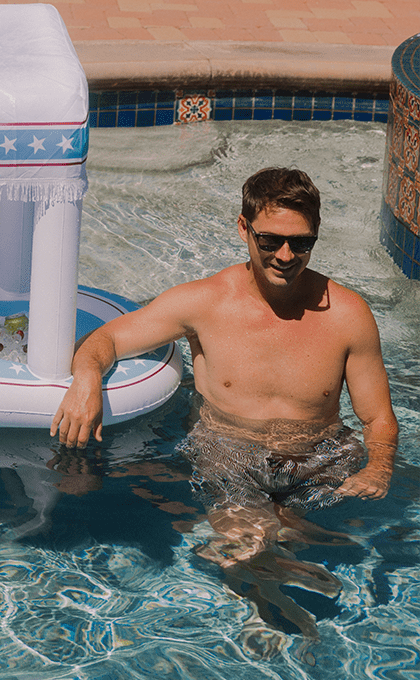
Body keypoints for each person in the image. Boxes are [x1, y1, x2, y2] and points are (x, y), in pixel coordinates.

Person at [51, 167, 397, 565]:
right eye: (270, 239)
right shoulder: (204, 303)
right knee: (248, 551)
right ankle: (265, 613)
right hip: (228, 458)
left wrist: (380, 468)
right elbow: (104, 339)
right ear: (243, 228)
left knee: (295, 543)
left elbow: (378, 419)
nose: (285, 256)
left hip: (320, 462)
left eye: (301, 243)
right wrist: (87, 379)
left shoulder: (348, 315)